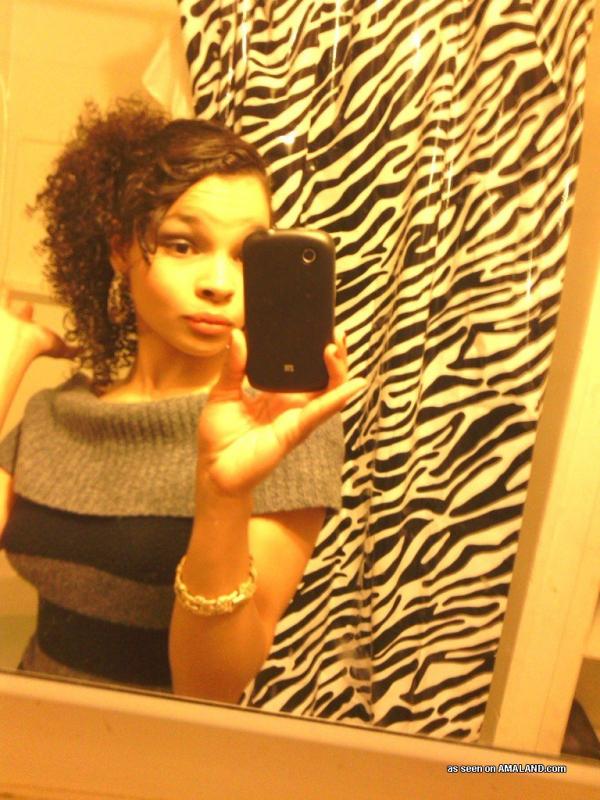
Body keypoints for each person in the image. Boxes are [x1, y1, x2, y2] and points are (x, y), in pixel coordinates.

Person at [0, 97, 364, 702]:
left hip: (162, 754)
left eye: (245, 255)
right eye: (182, 245)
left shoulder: (283, 424)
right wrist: (9, 359)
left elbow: (210, 686)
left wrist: (223, 493)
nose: (219, 284)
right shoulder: (55, 416)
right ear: (121, 249)